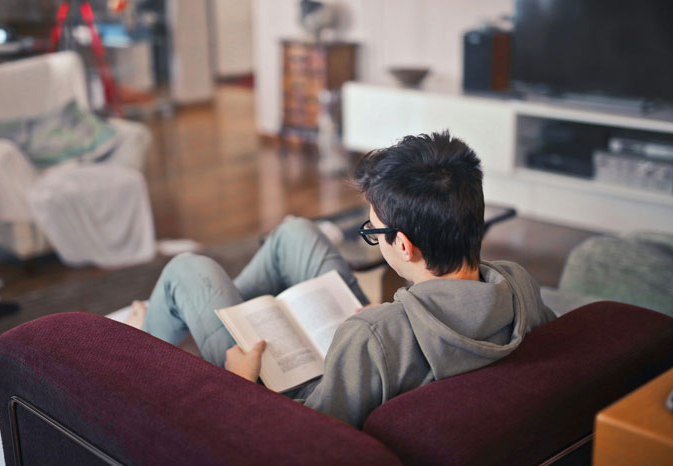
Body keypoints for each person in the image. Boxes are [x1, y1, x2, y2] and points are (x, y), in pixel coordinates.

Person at [127, 131, 555, 428]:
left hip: (288, 392)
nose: (373, 238)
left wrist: (239, 385)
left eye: (373, 231)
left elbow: (309, 440)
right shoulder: (517, 284)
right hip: (385, 342)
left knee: (190, 270)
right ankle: (217, 307)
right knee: (295, 233)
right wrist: (398, 318)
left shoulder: (372, 335)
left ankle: (148, 335)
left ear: (403, 246)